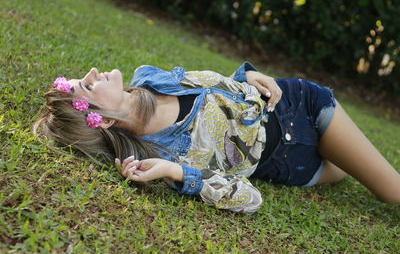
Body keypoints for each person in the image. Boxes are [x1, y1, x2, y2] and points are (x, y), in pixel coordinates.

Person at [33, 62, 400, 213]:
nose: (94, 72)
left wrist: (245, 76)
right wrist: (177, 174)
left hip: (298, 104)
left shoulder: (148, 77)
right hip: (291, 163)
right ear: (104, 122)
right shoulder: (167, 153)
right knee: (346, 174)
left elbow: (215, 90)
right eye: (87, 85)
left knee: (391, 191)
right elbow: (249, 198)